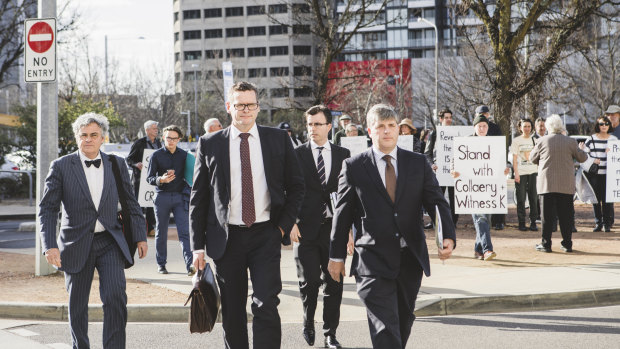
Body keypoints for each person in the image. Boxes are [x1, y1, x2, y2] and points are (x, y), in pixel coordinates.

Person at [328, 104, 456, 348]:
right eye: (380, 127)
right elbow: (341, 214)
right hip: (371, 261)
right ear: (369, 130)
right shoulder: (353, 166)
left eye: (391, 126)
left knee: (403, 322)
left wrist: (446, 235)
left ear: (398, 130)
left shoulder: (417, 163)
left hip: (409, 258)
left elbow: (436, 202)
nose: (387, 131)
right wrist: (335, 256)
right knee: (385, 329)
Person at [190, 81, 305, 348]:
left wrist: (282, 228)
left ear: (258, 107)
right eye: (239, 105)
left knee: (266, 304)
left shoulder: (278, 139)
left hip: (266, 233)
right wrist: (197, 247)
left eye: (250, 104)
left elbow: (297, 187)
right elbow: (199, 198)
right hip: (226, 238)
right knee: (232, 310)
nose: (245, 110)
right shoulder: (210, 144)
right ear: (229, 107)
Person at [39, 112, 148, 349]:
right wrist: (49, 245)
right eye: (84, 135)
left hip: (110, 242)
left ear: (103, 139)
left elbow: (130, 203)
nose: (88, 139)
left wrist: (140, 236)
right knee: (77, 305)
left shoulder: (116, 164)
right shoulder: (60, 166)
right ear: (77, 137)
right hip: (76, 243)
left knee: (115, 297)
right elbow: (47, 209)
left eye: (94, 135)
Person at [292, 105, 350, 349]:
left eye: (317, 124)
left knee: (334, 282)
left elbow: (350, 196)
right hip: (304, 229)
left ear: (329, 126)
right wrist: (291, 222)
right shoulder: (296, 154)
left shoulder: (343, 153)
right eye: (309, 124)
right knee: (309, 283)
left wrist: (349, 233)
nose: (312, 128)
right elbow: (287, 190)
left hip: (333, 229)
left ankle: (330, 334)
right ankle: (308, 322)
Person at [451, 115, 508, 261]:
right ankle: (488, 249)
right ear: (474, 127)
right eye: (479, 126)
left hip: (488, 186)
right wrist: (454, 170)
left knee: (485, 219)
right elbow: (455, 159)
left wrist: (505, 169)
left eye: (485, 126)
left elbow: (502, 161)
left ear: (488, 128)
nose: (482, 129)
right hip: (471, 187)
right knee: (481, 217)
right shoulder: (466, 142)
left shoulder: (493, 143)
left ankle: (478, 250)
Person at [530, 114, 587, 253]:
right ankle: (567, 244)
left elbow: (532, 158)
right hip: (565, 184)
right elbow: (582, 158)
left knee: (546, 217)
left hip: (547, 184)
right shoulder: (570, 141)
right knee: (566, 216)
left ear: (548, 127)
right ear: (560, 126)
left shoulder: (541, 141)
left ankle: (546, 244)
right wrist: (582, 150)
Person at [147, 125, 194, 276]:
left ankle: (190, 266)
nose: (171, 141)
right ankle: (161, 264)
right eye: (168, 138)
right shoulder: (156, 155)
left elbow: (192, 175)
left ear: (179, 139)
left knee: (185, 233)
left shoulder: (185, 155)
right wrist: (161, 179)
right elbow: (149, 178)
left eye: (174, 138)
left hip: (181, 197)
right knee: (161, 232)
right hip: (161, 197)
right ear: (163, 138)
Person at [581, 116, 617, 232]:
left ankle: (607, 224)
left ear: (609, 125)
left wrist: (611, 154)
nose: (604, 126)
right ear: (598, 125)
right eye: (602, 124)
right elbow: (583, 156)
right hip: (595, 174)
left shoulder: (613, 140)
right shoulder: (590, 139)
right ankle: (598, 223)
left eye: (606, 124)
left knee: (607, 200)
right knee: (596, 199)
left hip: (609, 175)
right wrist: (592, 159)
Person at [126, 120, 162, 237]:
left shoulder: (159, 143)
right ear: (147, 130)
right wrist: (136, 164)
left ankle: (151, 228)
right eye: (153, 128)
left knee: (152, 203)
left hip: (153, 179)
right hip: (140, 180)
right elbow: (129, 160)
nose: (156, 130)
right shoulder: (139, 143)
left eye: (156, 128)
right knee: (139, 205)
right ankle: (138, 229)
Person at [425, 108, 459, 226]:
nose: (449, 120)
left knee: (454, 199)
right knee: (437, 198)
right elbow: (427, 153)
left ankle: (453, 223)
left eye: (450, 118)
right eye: (446, 118)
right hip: (439, 172)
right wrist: (432, 164)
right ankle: (436, 222)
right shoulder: (434, 134)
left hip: (454, 172)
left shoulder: (456, 133)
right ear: (441, 119)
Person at [475, 105, 506, 230]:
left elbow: (500, 147)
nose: (484, 116)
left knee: (496, 193)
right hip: (478, 169)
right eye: (481, 114)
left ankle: (498, 221)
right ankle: (480, 221)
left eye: (486, 114)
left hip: (493, 167)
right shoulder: (474, 129)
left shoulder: (495, 128)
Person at [511, 118, 539, 231]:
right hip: (521, 173)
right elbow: (514, 158)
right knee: (521, 198)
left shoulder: (535, 141)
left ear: (531, 127)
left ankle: (533, 222)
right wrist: (516, 173)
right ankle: (521, 222)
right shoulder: (516, 141)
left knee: (533, 198)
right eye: (524, 126)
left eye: (528, 126)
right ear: (520, 128)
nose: (527, 128)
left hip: (533, 172)